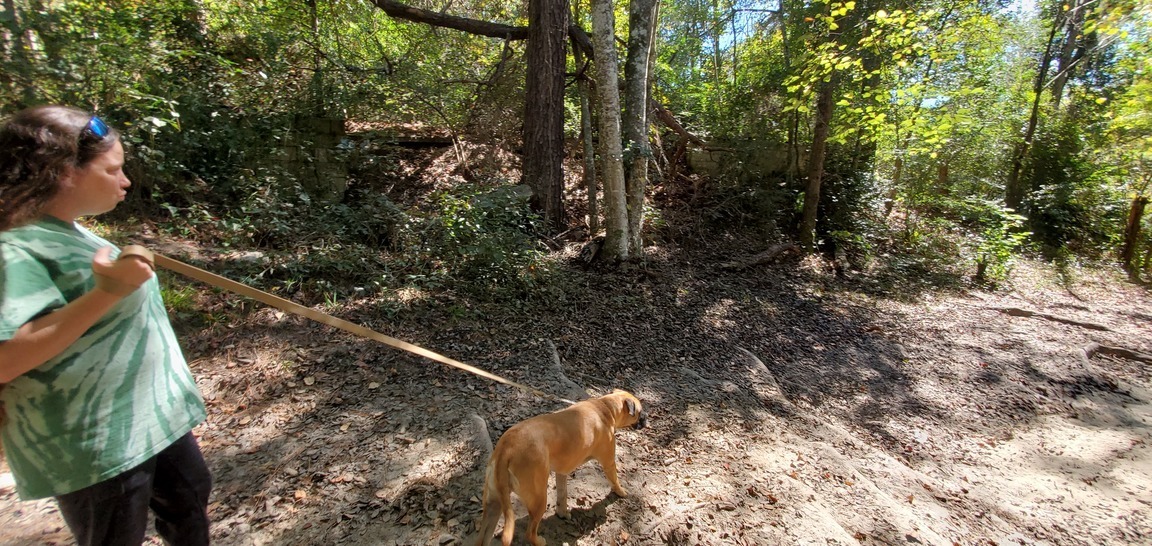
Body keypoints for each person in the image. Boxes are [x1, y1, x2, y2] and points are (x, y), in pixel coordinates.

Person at [0, 105, 211, 546]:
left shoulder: (67, 231)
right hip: (95, 444)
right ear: (63, 173)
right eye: (113, 169)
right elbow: (6, 358)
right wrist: (108, 293)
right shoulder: (13, 248)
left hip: (151, 420)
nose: (125, 181)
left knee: (190, 502)